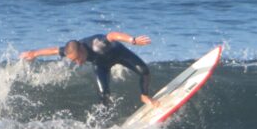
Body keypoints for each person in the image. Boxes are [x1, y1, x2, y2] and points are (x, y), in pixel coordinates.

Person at [20, 32, 158, 107]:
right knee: (104, 95)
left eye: (78, 58)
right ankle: (103, 123)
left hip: (119, 54)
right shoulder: (71, 50)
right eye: (74, 61)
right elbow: (54, 50)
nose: (78, 63)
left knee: (144, 71)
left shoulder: (98, 42)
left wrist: (132, 40)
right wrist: (33, 54)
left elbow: (112, 35)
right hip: (101, 64)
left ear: (82, 48)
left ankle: (144, 96)